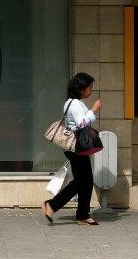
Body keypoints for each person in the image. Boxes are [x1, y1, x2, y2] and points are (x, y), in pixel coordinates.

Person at [41, 72, 102, 226]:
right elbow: (81, 124)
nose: (91, 90)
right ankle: (52, 205)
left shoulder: (75, 102)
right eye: (89, 87)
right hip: (76, 145)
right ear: (81, 88)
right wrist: (94, 110)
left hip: (77, 146)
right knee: (82, 181)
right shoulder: (74, 103)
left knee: (86, 180)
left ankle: (82, 214)